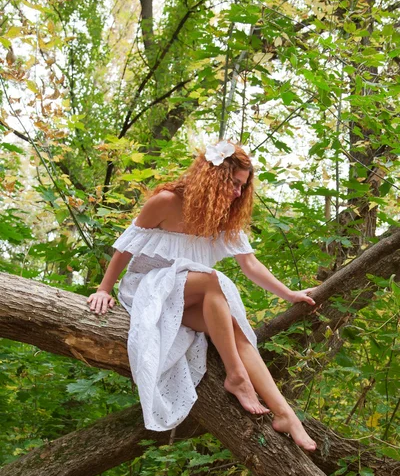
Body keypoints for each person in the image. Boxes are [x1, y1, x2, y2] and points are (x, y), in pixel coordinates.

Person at [87, 140, 317, 451]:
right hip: (149, 288)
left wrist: (289, 294)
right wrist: (104, 288)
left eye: (242, 187)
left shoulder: (222, 217)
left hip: (189, 296)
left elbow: (249, 263)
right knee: (212, 281)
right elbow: (126, 248)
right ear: (215, 177)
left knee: (235, 329)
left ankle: (285, 414)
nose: (238, 193)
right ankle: (236, 375)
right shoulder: (165, 202)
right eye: (234, 184)